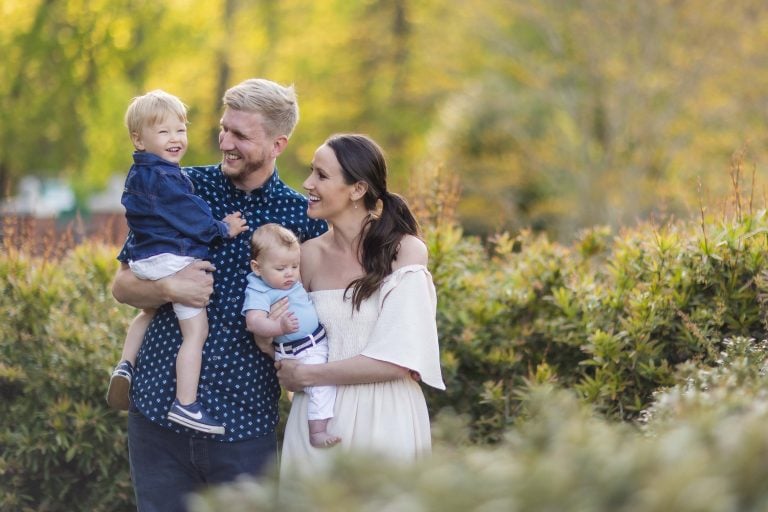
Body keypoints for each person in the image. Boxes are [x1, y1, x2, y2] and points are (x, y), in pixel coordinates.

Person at [110, 78, 327, 512]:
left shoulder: (303, 217)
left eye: (241, 136)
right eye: (223, 129)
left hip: (245, 423)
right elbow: (123, 285)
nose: (225, 142)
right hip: (158, 412)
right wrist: (169, 287)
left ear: (278, 143)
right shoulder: (177, 186)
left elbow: (321, 311)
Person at [275, 133, 445, 476]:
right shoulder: (306, 256)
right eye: (311, 172)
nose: (308, 183)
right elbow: (285, 339)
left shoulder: (405, 253)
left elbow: (399, 359)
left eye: (322, 176)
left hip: (385, 419)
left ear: (357, 189)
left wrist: (309, 374)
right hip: (316, 421)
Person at [106, 90, 248, 438]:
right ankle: (186, 404)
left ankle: (126, 365)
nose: (175, 139)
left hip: (145, 257)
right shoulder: (168, 178)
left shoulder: (140, 173)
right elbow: (191, 215)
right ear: (138, 139)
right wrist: (223, 228)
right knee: (195, 332)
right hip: (172, 260)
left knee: (147, 313)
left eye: (180, 130)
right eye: (164, 132)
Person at [242, 223, 341, 449]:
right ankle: (317, 432)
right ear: (257, 268)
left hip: (315, 342)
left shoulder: (290, 281)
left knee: (318, 388)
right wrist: (279, 328)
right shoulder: (258, 289)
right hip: (296, 350)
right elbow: (253, 321)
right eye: (280, 268)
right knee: (321, 387)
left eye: (294, 266)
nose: (289, 274)